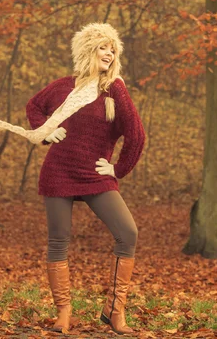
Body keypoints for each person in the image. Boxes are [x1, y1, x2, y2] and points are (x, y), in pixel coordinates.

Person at [25, 22, 145, 335]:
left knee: (127, 233)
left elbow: (136, 133)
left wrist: (118, 169)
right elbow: (34, 107)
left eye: (113, 49)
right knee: (58, 240)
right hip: (58, 172)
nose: (109, 53)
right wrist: (47, 131)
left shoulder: (113, 88)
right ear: (88, 50)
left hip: (95, 176)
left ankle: (114, 311)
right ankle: (64, 313)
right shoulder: (63, 87)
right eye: (103, 47)